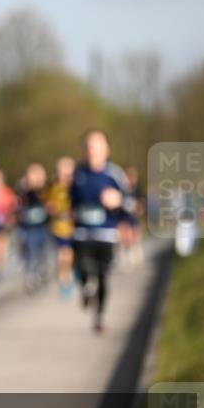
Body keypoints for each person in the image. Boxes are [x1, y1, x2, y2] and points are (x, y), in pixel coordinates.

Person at [70, 130, 131, 334]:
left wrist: (117, 200)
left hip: (106, 233)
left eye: (96, 147)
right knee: (83, 268)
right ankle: (87, 287)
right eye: (88, 147)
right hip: (82, 233)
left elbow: (131, 203)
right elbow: (70, 202)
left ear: (106, 150)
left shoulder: (114, 175)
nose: (92, 151)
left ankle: (100, 316)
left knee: (104, 275)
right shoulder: (78, 174)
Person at [44, 156, 76, 298]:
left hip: (74, 226)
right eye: (62, 170)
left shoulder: (77, 186)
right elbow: (47, 204)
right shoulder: (53, 187)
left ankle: (71, 274)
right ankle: (64, 281)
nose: (64, 173)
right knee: (63, 254)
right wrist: (52, 208)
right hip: (58, 226)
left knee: (70, 255)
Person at [16, 163, 50, 292]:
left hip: (43, 226)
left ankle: (41, 270)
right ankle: (30, 273)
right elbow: (17, 205)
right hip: (28, 227)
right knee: (29, 250)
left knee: (42, 250)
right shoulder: (23, 191)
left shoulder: (46, 190)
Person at [119, 165, 145, 268]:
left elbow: (142, 203)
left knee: (135, 235)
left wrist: (138, 209)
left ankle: (135, 251)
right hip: (124, 216)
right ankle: (126, 255)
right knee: (125, 236)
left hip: (134, 216)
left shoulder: (137, 189)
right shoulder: (122, 188)